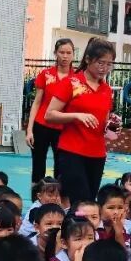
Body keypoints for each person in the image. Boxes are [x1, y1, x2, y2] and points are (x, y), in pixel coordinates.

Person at [45, 38, 117, 208]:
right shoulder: (71, 83)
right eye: (100, 63)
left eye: (109, 64)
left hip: (97, 154)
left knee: (90, 203)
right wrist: (76, 116)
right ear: (87, 59)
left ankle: (76, 225)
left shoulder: (106, 90)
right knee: (81, 203)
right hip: (72, 152)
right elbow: (49, 114)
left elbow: (104, 122)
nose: (104, 68)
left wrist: (112, 126)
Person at [26, 39, 76, 186]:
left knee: (61, 166)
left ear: (73, 55)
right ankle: (36, 196)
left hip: (64, 128)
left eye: (68, 53)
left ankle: (58, 196)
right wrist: (29, 130)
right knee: (38, 164)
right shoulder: (46, 74)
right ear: (55, 53)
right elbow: (37, 102)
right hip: (41, 124)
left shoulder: (77, 78)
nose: (65, 56)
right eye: (62, 52)